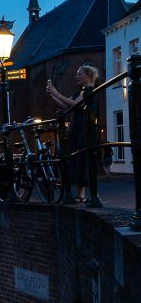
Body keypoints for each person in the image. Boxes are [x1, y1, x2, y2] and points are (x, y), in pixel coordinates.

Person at [46, 64, 101, 202]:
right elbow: (65, 105)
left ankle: (94, 195)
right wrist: (53, 94)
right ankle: (80, 195)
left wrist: (57, 93)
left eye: (79, 74)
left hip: (85, 130)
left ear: (88, 76)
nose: (76, 76)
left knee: (84, 161)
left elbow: (75, 104)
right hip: (77, 130)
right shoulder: (80, 91)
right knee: (77, 160)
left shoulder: (89, 90)